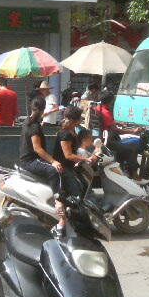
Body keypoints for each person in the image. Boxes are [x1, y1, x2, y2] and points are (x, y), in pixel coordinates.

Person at [19, 96, 65, 232]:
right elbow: (37, 148)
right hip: (30, 161)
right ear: (43, 109)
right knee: (55, 170)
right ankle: (58, 202)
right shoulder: (34, 126)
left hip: (28, 159)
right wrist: (53, 161)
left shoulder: (28, 120)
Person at [51, 106, 98, 236]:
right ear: (76, 120)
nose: (81, 120)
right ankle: (80, 226)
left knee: (83, 192)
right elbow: (68, 155)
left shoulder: (72, 132)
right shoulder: (65, 134)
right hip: (65, 170)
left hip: (71, 168)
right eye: (80, 118)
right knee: (77, 197)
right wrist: (87, 159)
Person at [96, 90, 146, 184]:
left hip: (103, 138)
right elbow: (116, 130)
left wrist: (119, 123)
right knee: (131, 148)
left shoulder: (99, 108)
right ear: (111, 101)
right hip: (108, 142)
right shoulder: (106, 112)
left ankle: (125, 168)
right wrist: (133, 131)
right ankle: (135, 176)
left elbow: (108, 122)